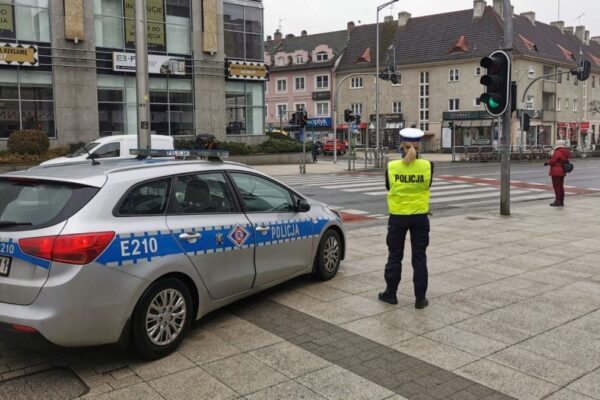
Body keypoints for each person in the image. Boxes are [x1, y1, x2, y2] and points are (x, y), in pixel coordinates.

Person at [378, 128, 433, 309]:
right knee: (419, 257)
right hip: (419, 217)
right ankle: (420, 299)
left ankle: (391, 294)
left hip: (398, 217)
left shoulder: (392, 167)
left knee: (395, 255)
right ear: (419, 145)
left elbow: (389, 187)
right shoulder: (428, 166)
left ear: (401, 145)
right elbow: (426, 186)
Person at [544, 139, 571, 207]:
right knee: (561, 186)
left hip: (556, 171)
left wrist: (547, 162)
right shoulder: (565, 151)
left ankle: (557, 201)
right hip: (562, 170)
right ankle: (561, 201)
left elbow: (553, 161)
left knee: (556, 187)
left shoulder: (558, 151)